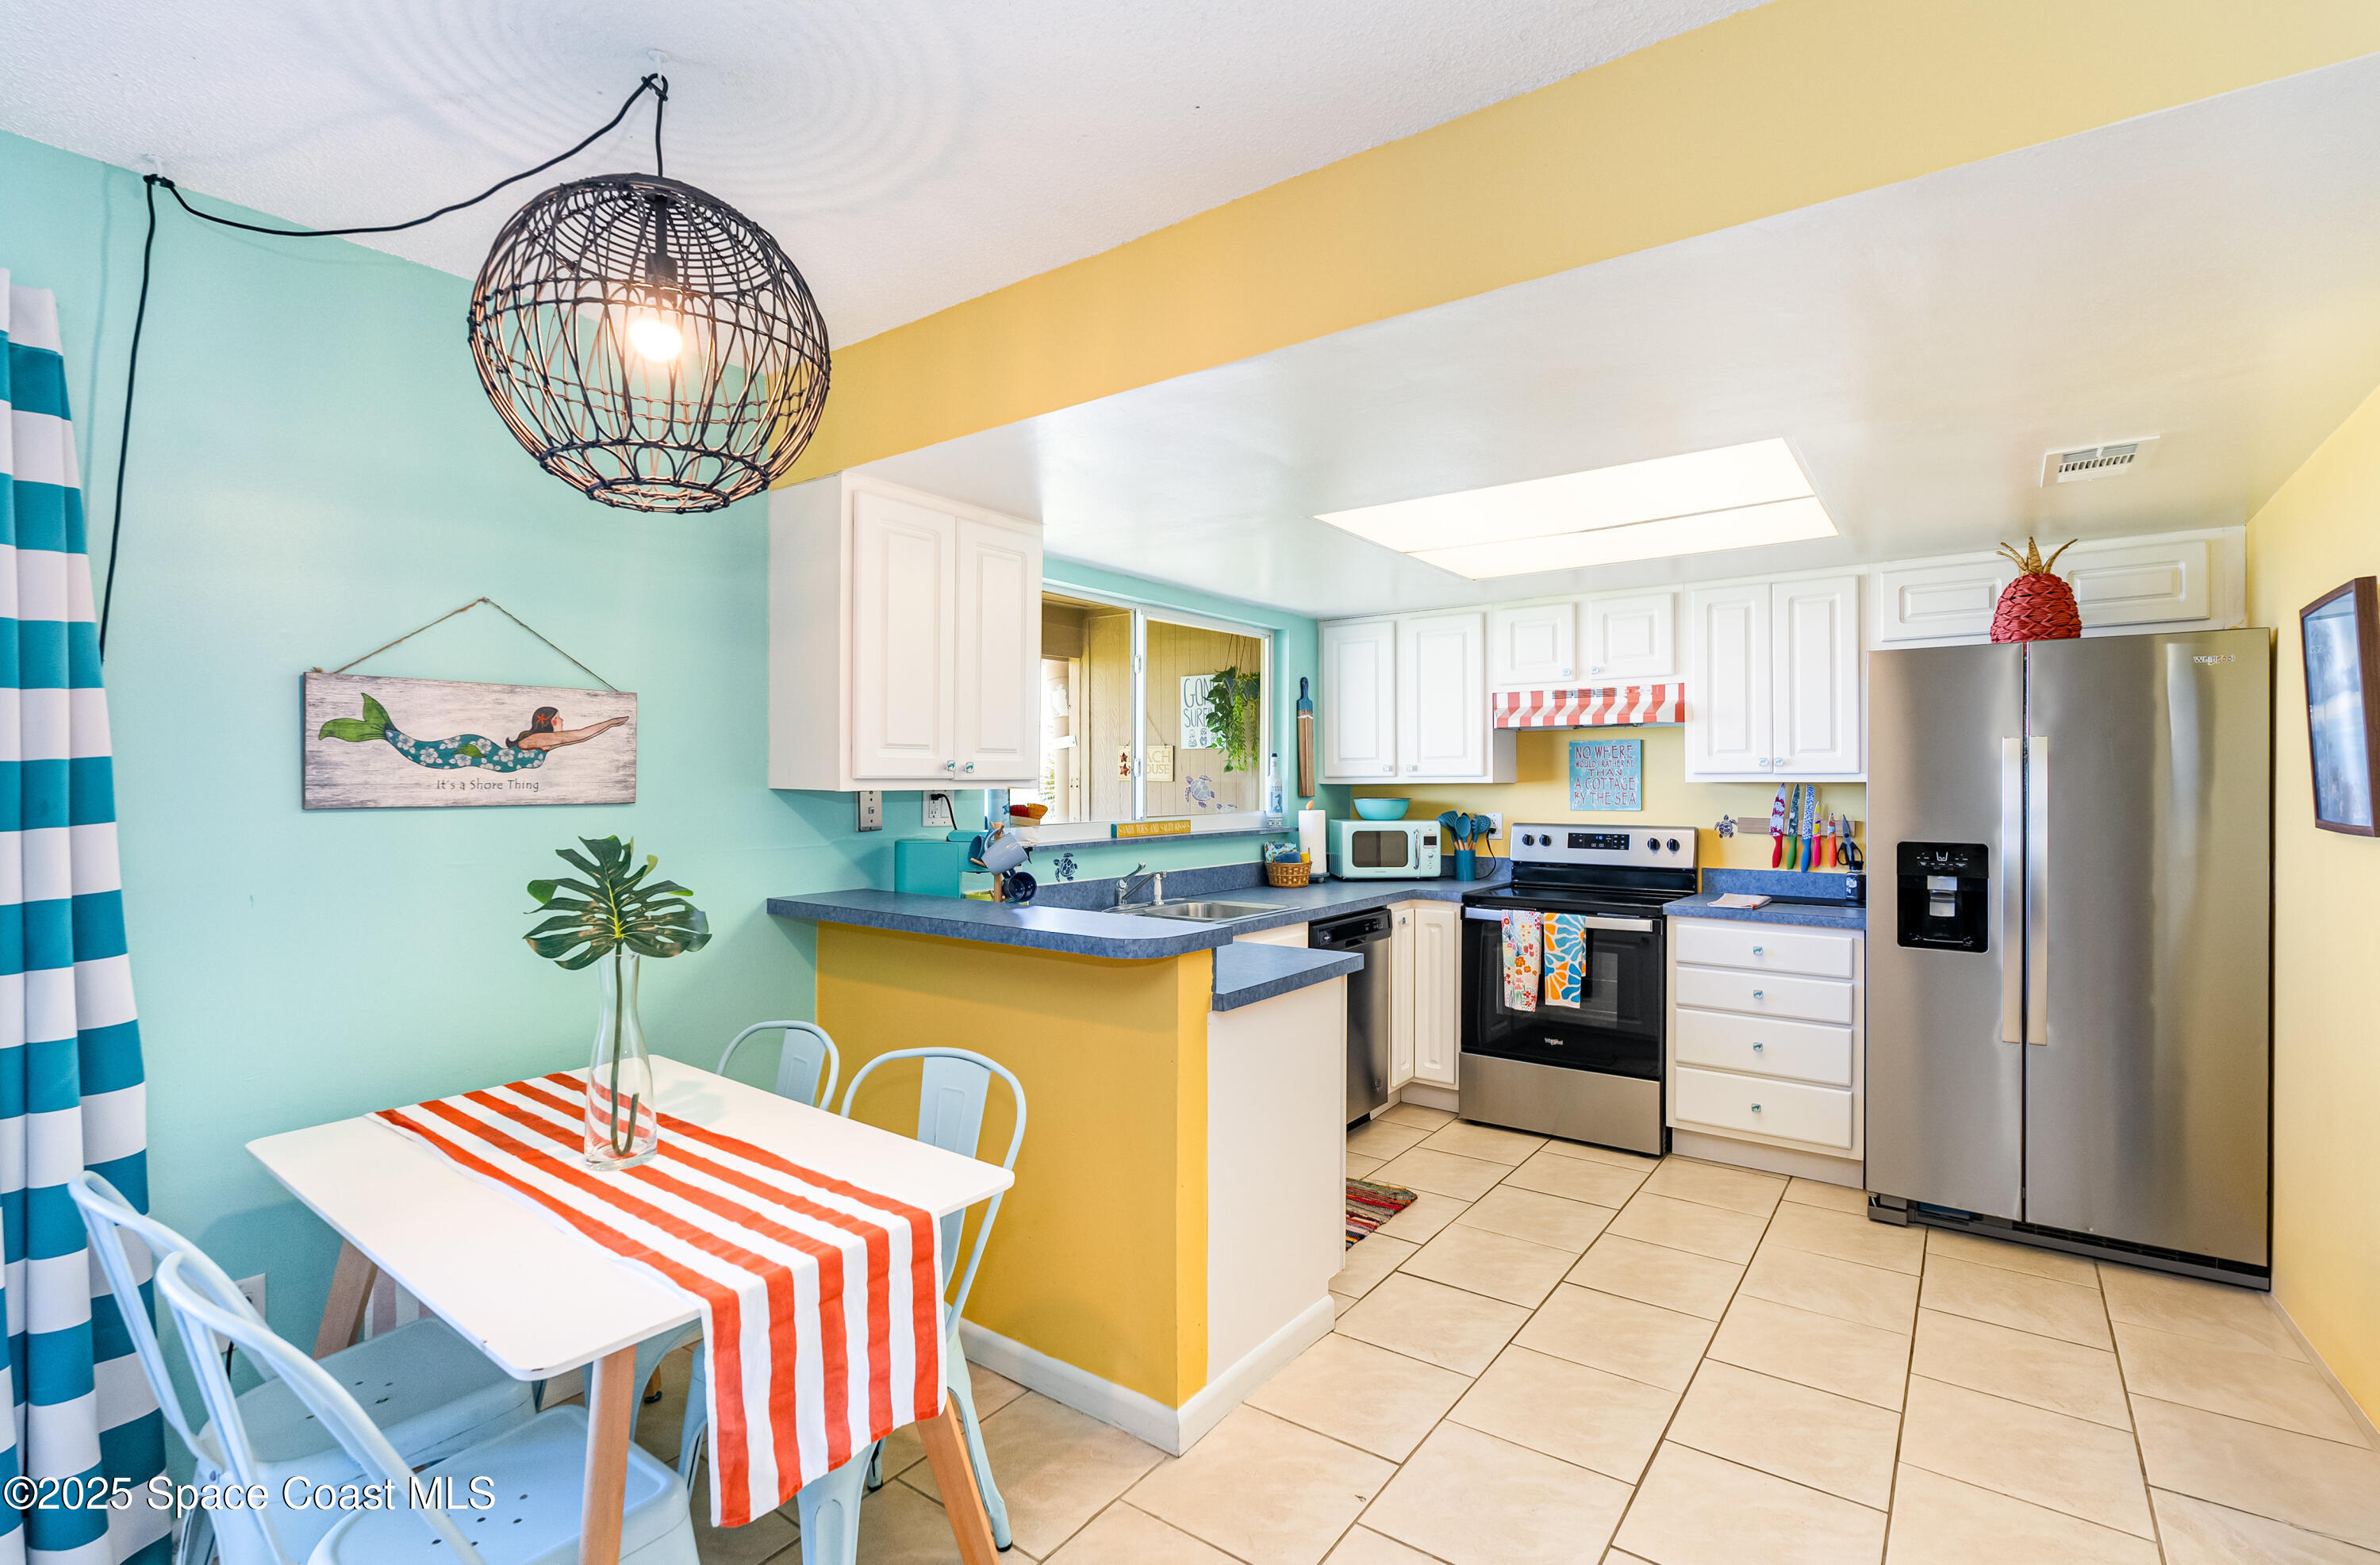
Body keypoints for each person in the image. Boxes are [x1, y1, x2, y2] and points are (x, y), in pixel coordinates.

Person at [317, 694, 627, 773]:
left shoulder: (542, 744)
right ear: (547, 723)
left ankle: (383, 731)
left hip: (476, 753)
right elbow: (580, 735)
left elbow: (576, 737)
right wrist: (611, 722)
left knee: (426, 757)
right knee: (427, 756)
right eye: (559, 718)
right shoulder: (538, 740)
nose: (563, 722)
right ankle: (382, 731)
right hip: (473, 750)